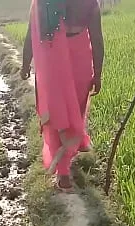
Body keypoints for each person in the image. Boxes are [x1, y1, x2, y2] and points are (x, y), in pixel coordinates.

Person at [21, 0, 104, 193]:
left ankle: (63, 167)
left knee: (60, 113)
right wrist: (97, 74)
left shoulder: (44, 2)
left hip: (53, 60)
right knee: (74, 108)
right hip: (79, 57)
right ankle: (64, 169)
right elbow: (97, 39)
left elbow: (31, 32)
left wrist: (26, 63)